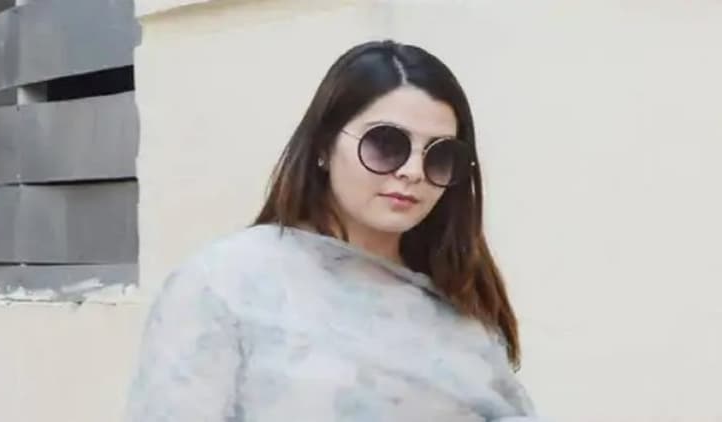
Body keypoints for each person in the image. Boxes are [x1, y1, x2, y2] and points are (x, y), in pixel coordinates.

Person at [125, 40, 547, 421]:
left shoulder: (457, 301)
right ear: (324, 146)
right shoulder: (225, 284)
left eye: (440, 156)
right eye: (386, 144)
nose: (413, 171)